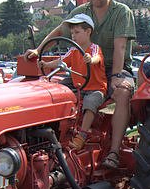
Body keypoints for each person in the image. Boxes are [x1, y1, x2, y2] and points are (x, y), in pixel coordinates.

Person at [25, 0, 136, 169]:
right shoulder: (81, 12)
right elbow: (60, 31)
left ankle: (114, 152)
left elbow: (120, 47)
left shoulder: (121, 12)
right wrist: (38, 50)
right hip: (83, 68)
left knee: (122, 92)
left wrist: (116, 76)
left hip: (114, 67)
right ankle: (55, 142)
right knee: (54, 92)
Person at [40, 14, 107, 149]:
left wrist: (90, 59)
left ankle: (82, 136)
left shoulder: (94, 48)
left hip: (96, 88)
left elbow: (97, 58)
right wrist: (46, 65)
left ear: (88, 32)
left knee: (90, 102)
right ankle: (58, 130)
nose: (73, 36)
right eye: (72, 33)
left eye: (77, 32)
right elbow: (61, 62)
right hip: (80, 87)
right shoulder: (73, 50)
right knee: (57, 93)